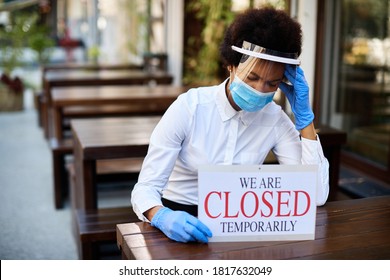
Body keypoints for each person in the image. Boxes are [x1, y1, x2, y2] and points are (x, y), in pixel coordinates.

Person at [131, 7, 329, 244]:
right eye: (252, 78)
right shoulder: (190, 108)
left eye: (271, 83)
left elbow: (314, 195)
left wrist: (305, 121)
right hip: (178, 213)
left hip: (238, 223)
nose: (259, 89)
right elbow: (145, 188)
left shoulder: (275, 118)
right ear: (231, 66)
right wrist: (161, 215)